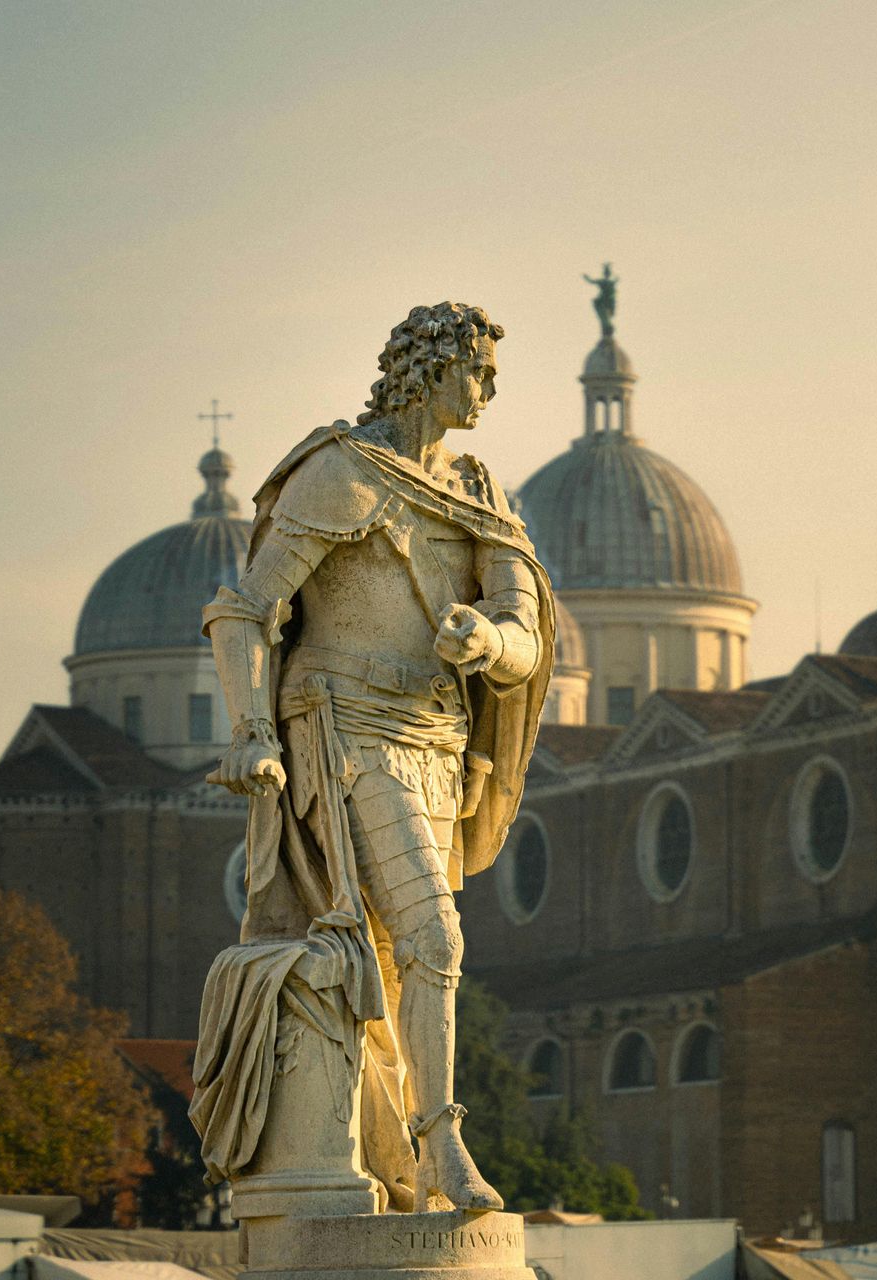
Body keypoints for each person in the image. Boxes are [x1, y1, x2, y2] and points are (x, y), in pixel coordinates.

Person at [198, 301, 554, 1212]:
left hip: (438, 740)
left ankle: (383, 1155)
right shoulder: (341, 472)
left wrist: (488, 641)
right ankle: (441, 1150)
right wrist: (250, 732)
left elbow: (526, 634)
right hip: (345, 728)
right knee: (436, 935)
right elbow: (248, 608)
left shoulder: (477, 491)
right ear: (425, 372)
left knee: (398, 956)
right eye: (476, 371)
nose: (488, 389)